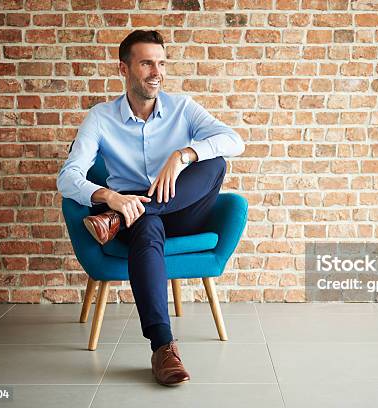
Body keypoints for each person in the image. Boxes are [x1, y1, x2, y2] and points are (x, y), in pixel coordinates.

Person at [56, 30, 244, 386]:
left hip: (183, 212)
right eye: (146, 63)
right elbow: (69, 178)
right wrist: (110, 198)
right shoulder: (101, 117)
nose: (156, 71)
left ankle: (120, 218)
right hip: (134, 218)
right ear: (123, 69)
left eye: (160, 63)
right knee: (144, 224)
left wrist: (183, 154)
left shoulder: (183, 108)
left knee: (215, 163)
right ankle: (163, 347)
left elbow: (235, 141)